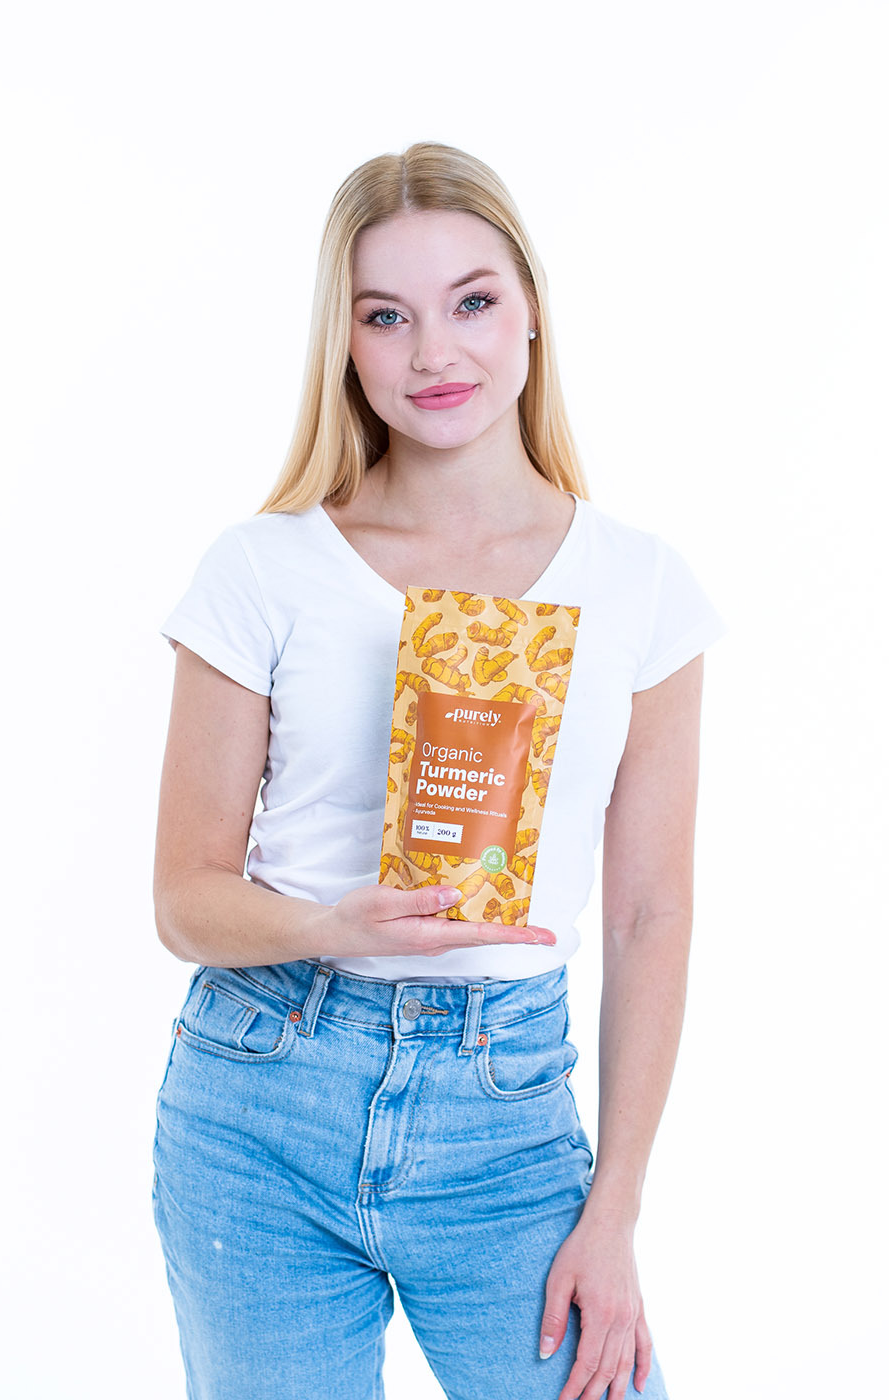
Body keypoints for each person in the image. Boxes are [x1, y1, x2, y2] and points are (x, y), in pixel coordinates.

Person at [150, 140, 726, 1400]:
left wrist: (616, 1209)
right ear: (345, 344)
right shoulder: (262, 568)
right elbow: (184, 898)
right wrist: (329, 923)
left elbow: (649, 911)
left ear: (531, 310)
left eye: (471, 301)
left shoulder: (640, 586)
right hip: (262, 1098)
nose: (433, 353)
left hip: (504, 1113)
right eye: (385, 316)